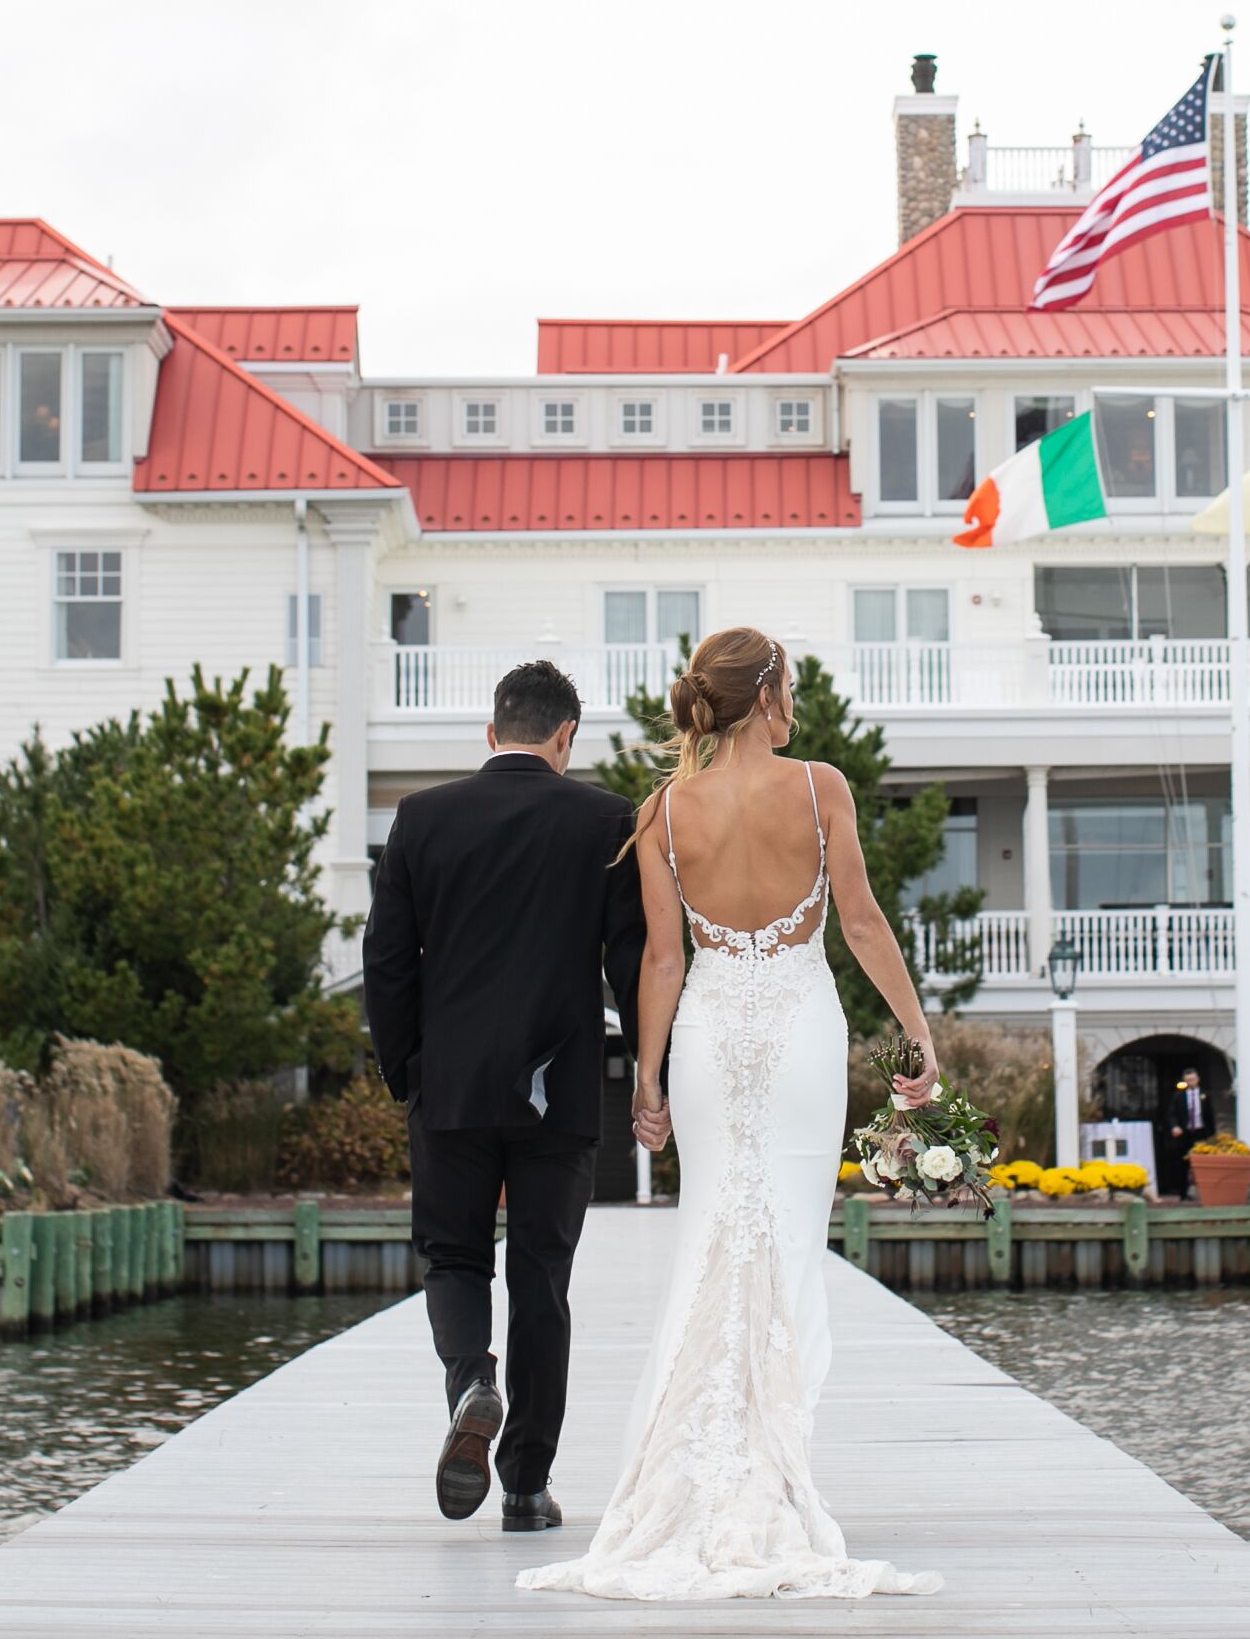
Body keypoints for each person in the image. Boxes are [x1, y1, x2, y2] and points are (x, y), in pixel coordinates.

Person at [519, 626, 944, 1601]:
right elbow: (863, 920)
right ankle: (769, 1472)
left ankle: (702, 1474)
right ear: (770, 695)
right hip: (798, 1034)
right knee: (785, 1246)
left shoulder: (666, 811)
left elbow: (661, 961)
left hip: (711, 1040)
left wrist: (649, 1079)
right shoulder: (818, 787)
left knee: (714, 1235)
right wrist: (916, 1037)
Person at [363, 658, 645, 1534]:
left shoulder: (421, 818)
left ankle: (470, 1384)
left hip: (447, 1084)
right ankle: (525, 1486)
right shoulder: (605, 821)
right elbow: (630, 964)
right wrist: (650, 1071)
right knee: (541, 1283)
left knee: (453, 1258)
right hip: (558, 1091)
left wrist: (407, 1070)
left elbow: (386, 963)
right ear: (567, 737)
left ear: (492, 734)